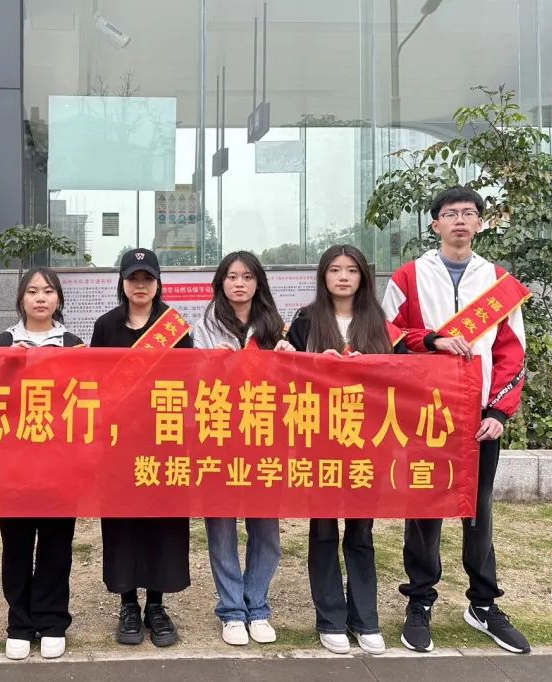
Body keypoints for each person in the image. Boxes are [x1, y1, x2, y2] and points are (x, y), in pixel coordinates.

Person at [383, 186, 532, 655]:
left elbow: (512, 353)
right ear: (436, 224)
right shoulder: (409, 276)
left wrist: (498, 411)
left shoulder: (497, 281)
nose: (460, 220)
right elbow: (385, 333)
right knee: (424, 508)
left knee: (477, 509)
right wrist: (430, 340)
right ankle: (420, 600)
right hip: (423, 415)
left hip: (479, 417)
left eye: (469, 213)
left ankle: (483, 604)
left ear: (480, 223)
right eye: (451, 214)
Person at [287, 244, 409, 656]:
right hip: (319, 440)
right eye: (335, 269)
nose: (343, 277)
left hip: (366, 442)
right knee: (323, 529)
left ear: (363, 277)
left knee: (360, 530)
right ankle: (330, 619)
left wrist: (369, 365)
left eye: (352, 270)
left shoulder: (382, 325)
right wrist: (314, 364)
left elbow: (405, 377)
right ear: (323, 276)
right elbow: (285, 377)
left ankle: (365, 619)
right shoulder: (305, 321)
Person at [91, 248, 192, 648]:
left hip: (163, 441)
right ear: (122, 282)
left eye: (147, 278)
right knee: (123, 523)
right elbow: (95, 383)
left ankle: (156, 604)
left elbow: (187, 384)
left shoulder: (175, 328)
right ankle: (128, 604)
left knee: (161, 522)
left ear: (157, 283)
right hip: (119, 444)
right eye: (133, 278)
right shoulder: (105, 326)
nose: (140, 285)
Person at [193, 251, 293, 647]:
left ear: (258, 283)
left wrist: (287, 360)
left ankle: (258, 606)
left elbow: (291, 385)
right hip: (219, 436)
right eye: (232, 276)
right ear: (221, 283)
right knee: (221, 528)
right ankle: (232, 610)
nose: (239, 283)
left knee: (265, 529)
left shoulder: (275, 326)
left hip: (265, 437)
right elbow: (193, 381)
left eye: (247, 277)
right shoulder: (205, 326)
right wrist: (214, 364)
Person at [0, 268, 85, 661]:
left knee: (56, 544)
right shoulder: (2, 342)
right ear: (21, 299)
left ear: (58, 299)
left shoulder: (75, 346)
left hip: (62, 462)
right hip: (13, 463)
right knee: (16, 544)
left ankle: (52, 620)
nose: (40, 298)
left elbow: (89, 402)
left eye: (47, 291)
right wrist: (8, 366)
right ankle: (19, 623)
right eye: (32, 291)